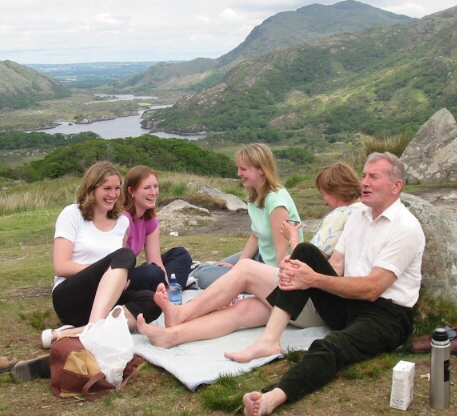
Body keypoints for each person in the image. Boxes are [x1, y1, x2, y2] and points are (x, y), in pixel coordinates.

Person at [241, 152, 425, 416]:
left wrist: (312, 279)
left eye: (373, 177)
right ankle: (270, 340)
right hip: (347, 302)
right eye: (363, 175)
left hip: (386, 315)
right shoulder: (359, 215)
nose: (364, 182)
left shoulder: (406, 228)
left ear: (395, 186)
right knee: (305, 251)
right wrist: (303, 271)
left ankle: (271, 397)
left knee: (332, 345)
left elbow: (373, 288)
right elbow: (337, 265)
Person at [136, 162, 364, 349]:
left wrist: (293, 237)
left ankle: (181, 313)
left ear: (334, 189)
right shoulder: (362, 213)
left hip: (317, 301)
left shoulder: (342, 214)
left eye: (324, 192)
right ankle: (172, 336)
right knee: (244, 311)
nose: (323, 199)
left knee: (245, 269)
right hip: (332, 307)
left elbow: (309, 262)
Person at [40, 161, 161, 349]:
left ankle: (78, 331)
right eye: (107, 188)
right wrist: (108, 274)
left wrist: (120, 279)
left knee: (152, 301)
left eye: (116, 188)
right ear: (92, 189)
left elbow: (117, 270)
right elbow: (61, 266)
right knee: (125, 255)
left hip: (103, 300)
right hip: (71, 298)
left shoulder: (121, 221)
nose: (113, 195)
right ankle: (95, 330)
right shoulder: (72, 214)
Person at [189, 143, 301, 289]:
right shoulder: (254, 196)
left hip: (272, 268)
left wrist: (277, 285)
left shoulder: (276, 202)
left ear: (261, 170)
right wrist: (240, 264)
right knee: (214, 269)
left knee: (201, 277)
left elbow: (282, 252)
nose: (238, 173)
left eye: (243, 169)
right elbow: (256, 235)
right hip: (261, 254)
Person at [121, 165, 193, 293]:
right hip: (120, 278)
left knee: (181, 255)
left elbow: (155, 261)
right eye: (147, 188)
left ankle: (168, 292)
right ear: (131, 191)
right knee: (152, 273)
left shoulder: (150, 220)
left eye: (155, 186)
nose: (153, 192)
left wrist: (166, 287)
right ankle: (159, 292)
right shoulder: (122, 219)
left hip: (138, 274)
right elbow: (115, 264)